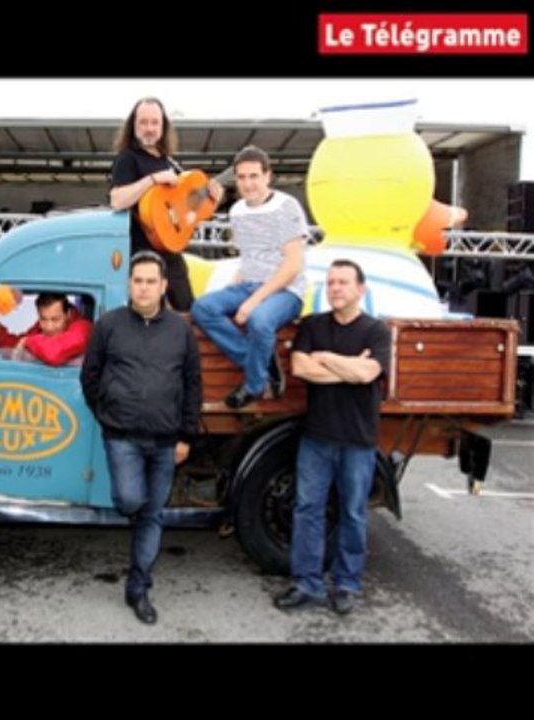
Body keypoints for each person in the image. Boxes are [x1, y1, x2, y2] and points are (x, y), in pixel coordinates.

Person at [80, 251, 201, 625]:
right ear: (129, 284)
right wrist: (106, 413)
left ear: (164, 286)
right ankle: (139, 520)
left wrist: (186, 435)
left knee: (151, 514)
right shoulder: (109, 324)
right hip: (122, 437)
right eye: (138, 281)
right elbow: (90, 375)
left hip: (167, 441)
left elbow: (192, 383)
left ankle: (138, 587)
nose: (144, 287)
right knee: (130, 500)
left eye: (151, 281)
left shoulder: (181, 329)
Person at [274, 259, 391, 616]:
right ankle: (306, 583)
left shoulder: (376, 331)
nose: (335, 288)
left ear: (361, 289)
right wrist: (347, 366)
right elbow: (301, 368)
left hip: (358, 440)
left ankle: (346, 585)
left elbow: (369, 373)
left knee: (353, 513)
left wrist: (325, 360)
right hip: (317, 438)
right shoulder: (312, 325)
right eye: (331, 282)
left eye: (343, 282)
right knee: (307, 511)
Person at [190, 145, 308, 408]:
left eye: (254, 176)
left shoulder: (286, 207)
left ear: (268, 176)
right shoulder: (237, 211)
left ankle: (255, 386)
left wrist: (253, 301)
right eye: (241, 177)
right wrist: (233, 288)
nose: (248, 183)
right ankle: (261, 362)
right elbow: (249, 259)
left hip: (286, 290)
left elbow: (293, 266)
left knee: (259, 319)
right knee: (203, 308)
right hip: (250, 283)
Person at [109, 97, 223, 311]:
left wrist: (212, 200)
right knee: (150, 316)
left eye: (155, 122)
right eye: (143, 122)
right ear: (133, 125)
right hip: (141, 254)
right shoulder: (128, 158)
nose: (149, 128)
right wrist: (152, 180)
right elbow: (117, 200)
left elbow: (187, 210)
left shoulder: (168, 161)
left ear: (163, 127)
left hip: (170, 250)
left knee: (188, 310)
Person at [13, 293, 92, 366]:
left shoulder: (82, 329)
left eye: (55, 320)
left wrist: (28, 341)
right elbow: (19, 341)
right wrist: (0, 334)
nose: (49, 327)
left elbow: (54, 353)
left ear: (68, 314)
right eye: (43, 319)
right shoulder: (40, 326)